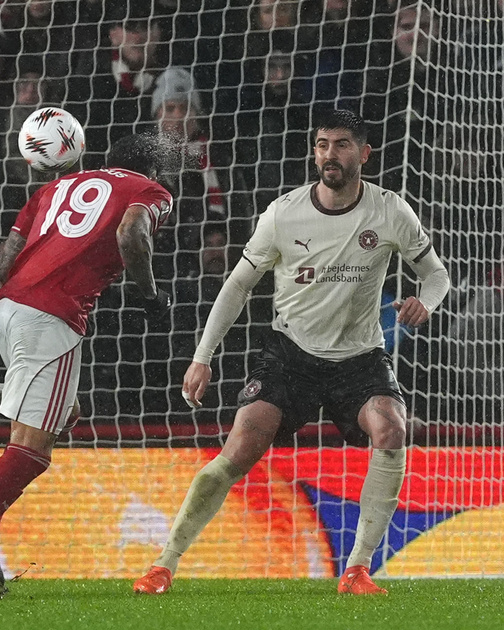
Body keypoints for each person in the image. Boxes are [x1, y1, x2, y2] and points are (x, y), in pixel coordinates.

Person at [133, 109, 451, 596]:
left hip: (360, 357)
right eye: (322, 144)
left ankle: (357, 570)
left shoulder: (390, 211)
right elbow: (237, 285)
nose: (330, 154)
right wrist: (202, 356)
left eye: (342, 144)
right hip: (291, 355)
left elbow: (437, 275)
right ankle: (164, 564)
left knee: (391, 428)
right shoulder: (284, 212)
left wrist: (423, 303)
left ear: (363, 155)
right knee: (239, 450)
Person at [0, 132, 174, 601]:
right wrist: (150, 296)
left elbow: (3, 263)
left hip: (7, 309)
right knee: (29, 453)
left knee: (61, 415)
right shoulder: (149, 190)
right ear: (151, 170)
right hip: (51, 316)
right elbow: (132, 232)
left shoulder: (52, 188)